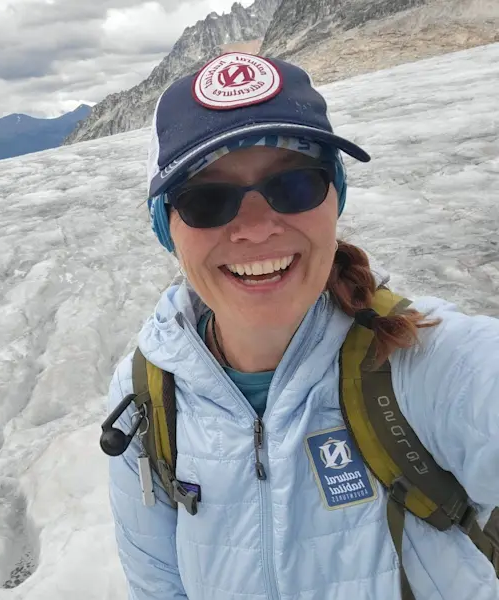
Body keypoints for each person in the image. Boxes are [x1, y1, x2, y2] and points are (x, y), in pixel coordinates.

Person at [105, 52, 499, 600]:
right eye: (207, 199)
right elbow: (157, 587)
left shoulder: (423, 363)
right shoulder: (145, 397)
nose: (256, 227)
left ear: (335, 194)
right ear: (166, 227)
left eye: (293, 185)